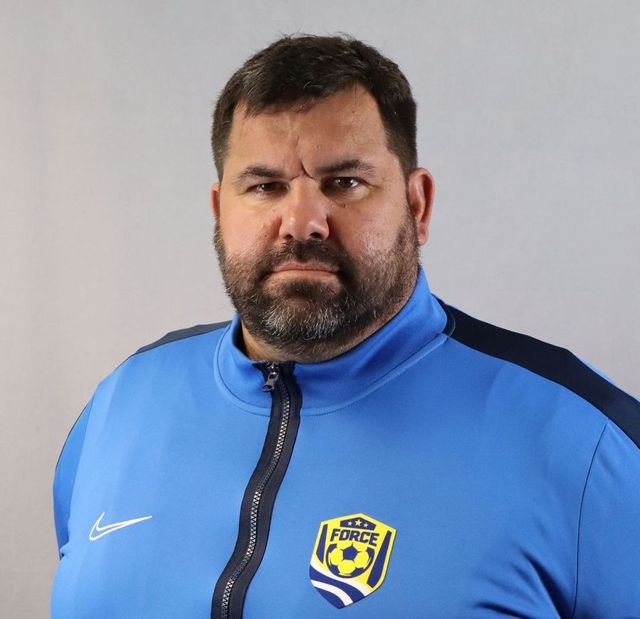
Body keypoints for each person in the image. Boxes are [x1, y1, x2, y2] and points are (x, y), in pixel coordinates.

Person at [51, 34, 640, 618]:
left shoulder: (587, 444)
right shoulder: (122, 404)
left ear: (418, 205)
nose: (302, 221)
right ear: (219, 210)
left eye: (344, 183)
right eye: (264, 186)